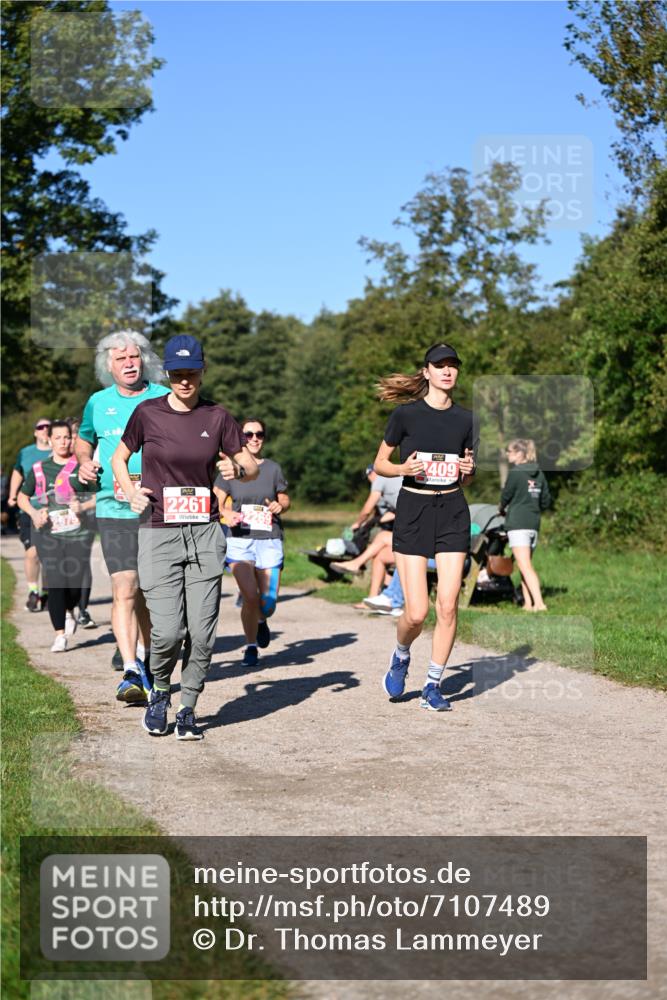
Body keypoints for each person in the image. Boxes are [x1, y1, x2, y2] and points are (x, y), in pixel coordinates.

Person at [112, 334, 258, 741]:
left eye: (191, 372)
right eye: (177, 374)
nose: (184, 381)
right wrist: (128, 489)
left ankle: (189, 706)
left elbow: (248, 464)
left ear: (202, 370)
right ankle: (160, 687)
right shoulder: (147, 413)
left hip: (205, 532)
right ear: (168, 374)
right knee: (168, 631)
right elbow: (118, 458)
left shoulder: (218, 417)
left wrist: (238, 470)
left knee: (202, 630)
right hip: (159, 532)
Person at [372, 342, 476, 712]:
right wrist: (402, 469)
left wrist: (468, 473)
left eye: (453, 366)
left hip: (452, 510)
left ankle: (433, 685)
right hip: (414, 508)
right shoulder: (406, 416)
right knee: (416, 612)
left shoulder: (467, 420)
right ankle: (401, 654)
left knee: (447, 606)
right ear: (426, 371)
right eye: (440, 365)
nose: (447, 371)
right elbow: (380, 464)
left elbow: (468, 475)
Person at [76, 330, 168, 700]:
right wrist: (84, 463)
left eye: (134, 357)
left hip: (159, 508)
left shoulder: (164, 397)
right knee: (124, 587)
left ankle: (145, 659)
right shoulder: (98, 403)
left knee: (148, 592)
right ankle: (130, 671)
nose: (129, 364)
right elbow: (85, 440)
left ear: (144, 360)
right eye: (120, 359)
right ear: (108, 366)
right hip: (113, 507)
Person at [216, 418, 290, 667]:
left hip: (269, 539)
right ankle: (250, 646)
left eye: (259, 434)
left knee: (267, 604)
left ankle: (261, 619)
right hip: (240, 542)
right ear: (241, 439)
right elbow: (216, 503)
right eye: (248, 434)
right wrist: (226, 514)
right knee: (249, 595)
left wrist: (282, 505)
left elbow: (284, 498)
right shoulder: (229, 470)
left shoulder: (273, 468)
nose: (254, 438)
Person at [17, 421, 96, 651]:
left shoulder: (83, 468)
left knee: (74, 583)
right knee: (54, 582)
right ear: (49, 440)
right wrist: (33, 512)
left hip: (78, 534)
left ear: (73, 439)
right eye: (58, 437)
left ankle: (71, 610)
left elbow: (100, 497)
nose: (64, 442)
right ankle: (59, 634)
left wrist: (84, 506)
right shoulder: (39, 468)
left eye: (67, 437)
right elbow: (23, 496)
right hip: (47, 534)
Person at [330, 470, 402, 607]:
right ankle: (372, 599)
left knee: (380, 537)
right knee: (380, 553)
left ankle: (356, 563)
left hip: (420, 540)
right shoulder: (398, 478)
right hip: (412, 534)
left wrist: (358, 524)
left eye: (369, 476)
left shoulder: (382, 478)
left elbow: (367, 509)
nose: (369, 480)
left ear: (372, 473)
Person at [499, 438, 551, 612]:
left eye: (510, 451)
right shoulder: (540, 473)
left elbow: (506, 496)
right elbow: (546, 501)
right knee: (525, 564)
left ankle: (540, 604)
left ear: (520, 453)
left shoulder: (516, 473)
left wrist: (501, 508)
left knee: (525, 565)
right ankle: (527, 604)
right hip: (534, 524)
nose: (507, 454)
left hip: (518, 524)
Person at [8, 418, 52, 611]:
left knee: (50, 555)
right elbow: (17, 472)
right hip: (28, 508)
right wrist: (12, 496)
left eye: (48, 427)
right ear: (35, 432)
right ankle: (34, 592)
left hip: (54, 509)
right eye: (40, 427)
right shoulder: (25, 453)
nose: (44, 430)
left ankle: (49, 593)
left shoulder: (59, 451)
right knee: (32, 552)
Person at [66, 416, 96, 628]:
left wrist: (83, 506)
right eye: (68, 436)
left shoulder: (91, 459)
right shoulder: (56, 461)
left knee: (82, 562)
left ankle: (83, 610)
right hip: (60, 520)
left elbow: (101, 492)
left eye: (75, 435)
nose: (71, 440)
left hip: (87, 515)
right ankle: (68, 610)